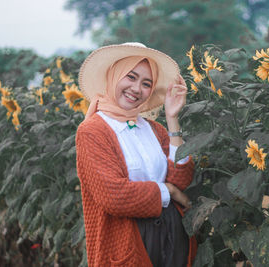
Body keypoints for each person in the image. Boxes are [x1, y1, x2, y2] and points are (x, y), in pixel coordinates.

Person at [75, 42, 197, 267]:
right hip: (128, 240)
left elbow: (181, 179)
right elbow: (113, 196)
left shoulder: (154, 129)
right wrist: (168, 191)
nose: (136, 89)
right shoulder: (93, 130)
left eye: (146, 83)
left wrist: (172, 119)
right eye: (130, 77)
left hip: (173, 237)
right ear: (114, 76)